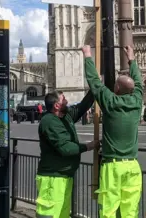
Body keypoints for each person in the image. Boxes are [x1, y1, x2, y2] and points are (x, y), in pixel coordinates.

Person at [81, 45, 143, 218]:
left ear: (116, 89)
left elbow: (94, 82)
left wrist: (87, 56)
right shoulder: (137, 101)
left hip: (113, 166)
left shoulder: (109, 102)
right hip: (132, 165)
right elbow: (138, 82)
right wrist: (132, 59)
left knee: (108, 211)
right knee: (130, 211)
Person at [36, 90, 99, 218]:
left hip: (64, 176)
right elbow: (65, 148)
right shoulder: (49, 121)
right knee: (49, 214)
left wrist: (95, 88)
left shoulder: (65, 115)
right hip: (52, 178)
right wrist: (88, 146)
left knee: (62, 214)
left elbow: (82, 107)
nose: (67, 101)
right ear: (56, 106)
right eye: (63, 99)